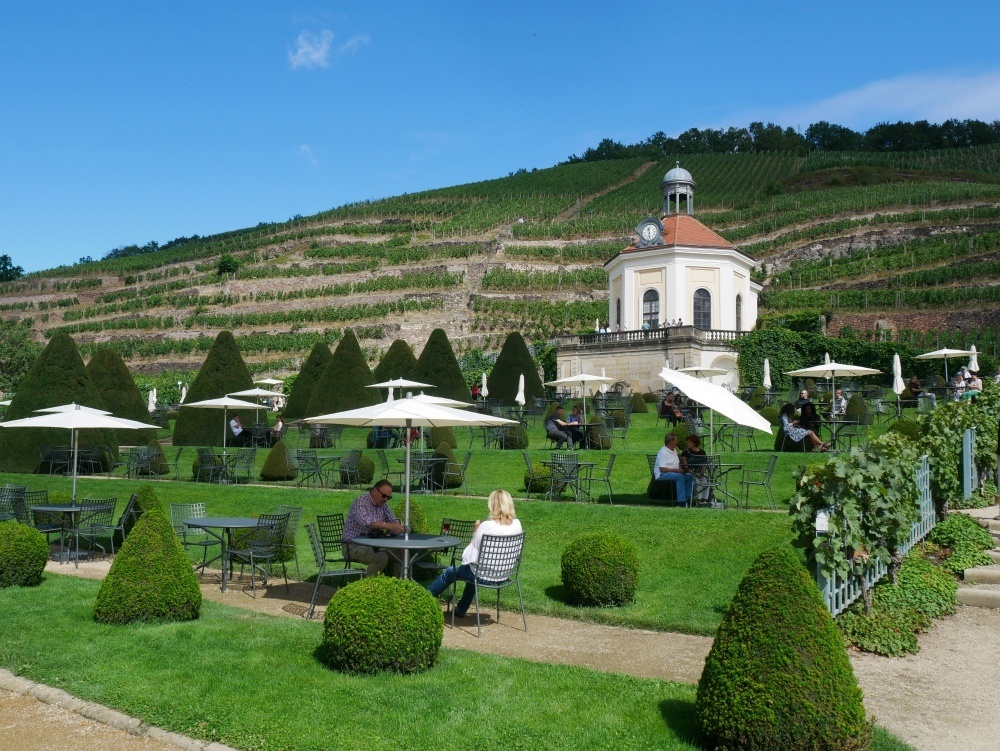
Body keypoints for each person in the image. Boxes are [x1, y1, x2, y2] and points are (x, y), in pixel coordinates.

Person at [427, 489, 523, 618]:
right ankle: (461, 609)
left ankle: (422, 599)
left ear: (492, 505)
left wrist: (475, 532)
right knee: (473, 571)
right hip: (505, 575)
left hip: (482, 576)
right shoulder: (517, 524)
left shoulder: (486, 526)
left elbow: (467, 556)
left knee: (450, 572)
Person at [342, 480, 404, 578]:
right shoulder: (360, 503)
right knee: (380, 557)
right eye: (384, 495)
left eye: (389, 497)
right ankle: (370, 588)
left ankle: (398, 584)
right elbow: (367, 523)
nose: (385, 499)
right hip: (353, 546)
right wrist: (389, 526)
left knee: (402, 553)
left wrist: (397, 527)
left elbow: (393, 521)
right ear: (375, 490)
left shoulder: (383, 506)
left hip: (375, 546)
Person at [653, 433, 694, 506]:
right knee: (679, 477)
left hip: (673, 473)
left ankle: (688, 499)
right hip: (662, 475)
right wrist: (677, 471)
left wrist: (681, 470)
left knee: (689, 476)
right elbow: (662, 469)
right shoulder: (663, 452)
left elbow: (676, 464)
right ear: (671, 442)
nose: (677, 442)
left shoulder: (674, 450)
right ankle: (681, 502)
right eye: (676, 440)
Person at [681, 434, 710, 504]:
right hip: (690, 472)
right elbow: (685, 466)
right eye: (687, 442)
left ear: (695, 443)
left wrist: (702, 473)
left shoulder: (702, 452)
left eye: (689, 442)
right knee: (696, 480)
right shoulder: (685, 453)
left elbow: (704, 464)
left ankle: (705, 499)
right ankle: (698, 499)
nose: (687, 443)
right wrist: (694, 474)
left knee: (705, 480)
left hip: (699, 472)